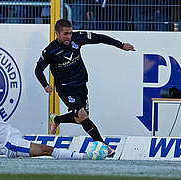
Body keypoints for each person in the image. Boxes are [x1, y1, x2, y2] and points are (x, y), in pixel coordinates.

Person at [0, 47, 98, 160]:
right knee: (47, 150)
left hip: (12, 137)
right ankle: (84, 156)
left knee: (4, 148)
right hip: (10, 143)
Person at [34, 19, 135, 157]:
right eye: (65, 34)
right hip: (65, 88)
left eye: (70, 33)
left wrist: (121, 45)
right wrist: (45, 85)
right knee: (82, 115)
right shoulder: (50, 51)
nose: (69, 37)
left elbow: (99, 38)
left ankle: (56, 120)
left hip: (81, 84)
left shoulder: (78, 37)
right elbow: (38, 70)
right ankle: (104, 146)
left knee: (79, 119)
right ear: (57, 33)